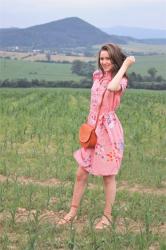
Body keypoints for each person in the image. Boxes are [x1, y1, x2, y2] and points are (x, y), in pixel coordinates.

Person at [57, 43, 135, 229]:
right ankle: (73, 211)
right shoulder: (96, 75)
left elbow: (112, 87)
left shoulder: (121, 80)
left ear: (115, 59)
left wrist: (125, 66)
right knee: (81, 173)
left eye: (108, 58)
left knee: (108, 176)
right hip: (92, 129)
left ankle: (107, 218)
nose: (104, 62)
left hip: (108, 131)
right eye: (102, 58)